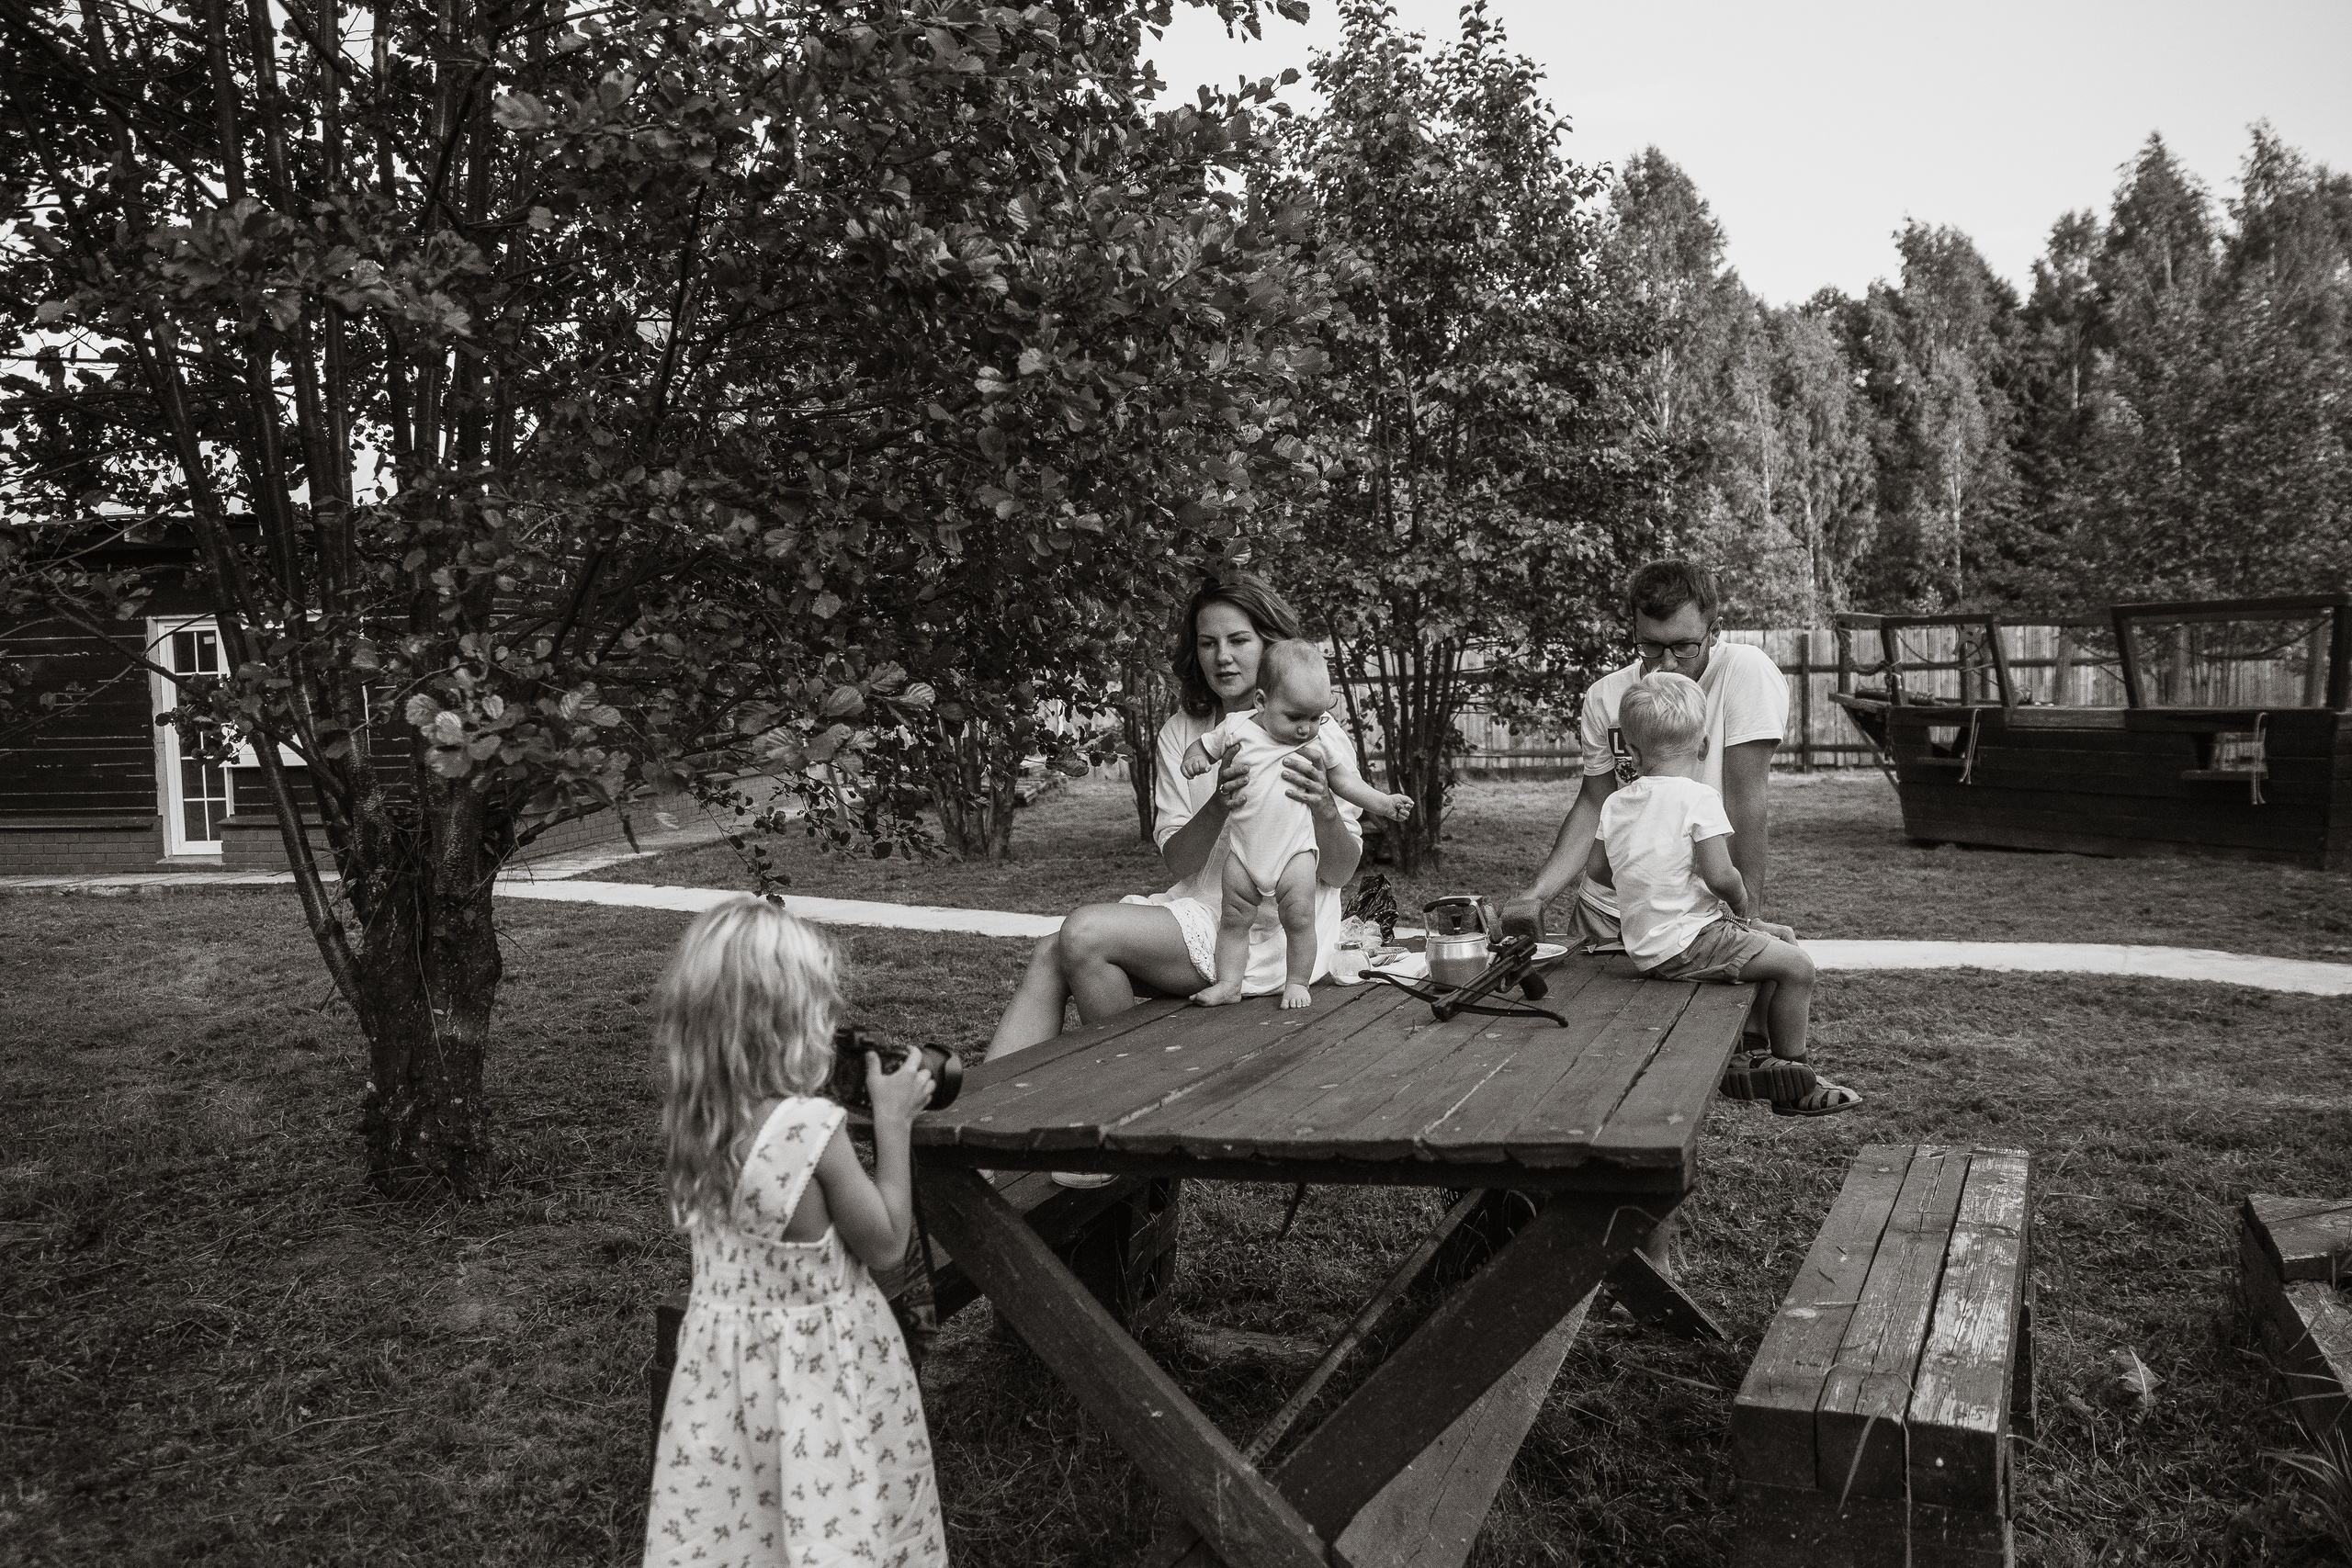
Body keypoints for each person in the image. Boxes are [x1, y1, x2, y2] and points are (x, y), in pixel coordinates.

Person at [645, 897, 947, 1568]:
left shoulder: (697, 1124)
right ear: (788, 1019)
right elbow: (889, 1242)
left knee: (747, 1524)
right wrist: (893, 1122)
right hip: (818, 1374)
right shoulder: (811, 1129)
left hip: (728, 1379)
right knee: (833, 1520)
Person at [986, 573, 1366, 1089]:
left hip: (1282, 934)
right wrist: (1218, 804)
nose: (1222, 658)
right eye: (1208, 643)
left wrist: (1324, 806)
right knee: (1055, 950)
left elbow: (1341, 870)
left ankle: (1127, 1112)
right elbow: (1181, 864)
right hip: (1206, 914)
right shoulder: (1184, 734)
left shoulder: (1314, 730)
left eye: (1238, 640)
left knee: (1082, 935)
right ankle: (980, 1125)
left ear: (1270, 645)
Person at [1587, 673, 1856, 1116]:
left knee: (1780, 941)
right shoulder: (1698, 798)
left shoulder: (1616, 805)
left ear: (1631, 753)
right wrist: (1742, 902)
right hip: (1690, 943)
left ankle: (1752, 1052)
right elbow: (1720, 876)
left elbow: (1598, 870)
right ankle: (1797, 1080)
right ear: (1705, 744)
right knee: (1799, 969)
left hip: (1649, 945)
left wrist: (1647, 874)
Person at [1182, 639, 1412, 1009]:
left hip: (1295, 854)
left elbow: (1347, 784)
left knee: (1299, 919)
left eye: (1315, 718)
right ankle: (1229, 983)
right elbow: (1203, 747)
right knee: (1234, 918)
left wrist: (1383, 803)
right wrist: (1195, 760)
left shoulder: (1318, 743)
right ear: (1261, 702)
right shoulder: (1237, 727)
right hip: (1243, 853)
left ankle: (1298, 982)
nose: (1306, 728)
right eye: (1295, 718)